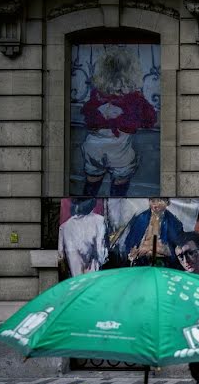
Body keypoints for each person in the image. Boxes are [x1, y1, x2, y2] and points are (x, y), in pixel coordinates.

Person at [80, 46, 158, 197]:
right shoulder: (135, 99)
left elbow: (88, 116)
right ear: (132, 73)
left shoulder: (97, 95)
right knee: (119, 188)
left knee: (91, 184)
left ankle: (84, 211)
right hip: (120, 152)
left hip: (93, 150)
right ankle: (115, 211)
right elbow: (150, 119)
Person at [115, 197, 184, 267]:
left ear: (167, 202)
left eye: (159, 201)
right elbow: (129, 244)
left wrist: (151, 248)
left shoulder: (174, 223)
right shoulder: (140, 219)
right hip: (141, 262)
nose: (156, 205)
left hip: (163, 263)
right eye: (153, 201)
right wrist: (132, 252)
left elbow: (178, 251)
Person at [57, 197, 108, 277]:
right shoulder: (99, 221)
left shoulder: (64, 227)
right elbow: (101, 255)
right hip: (92, 276)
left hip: (74, 279)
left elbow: (60, 255)